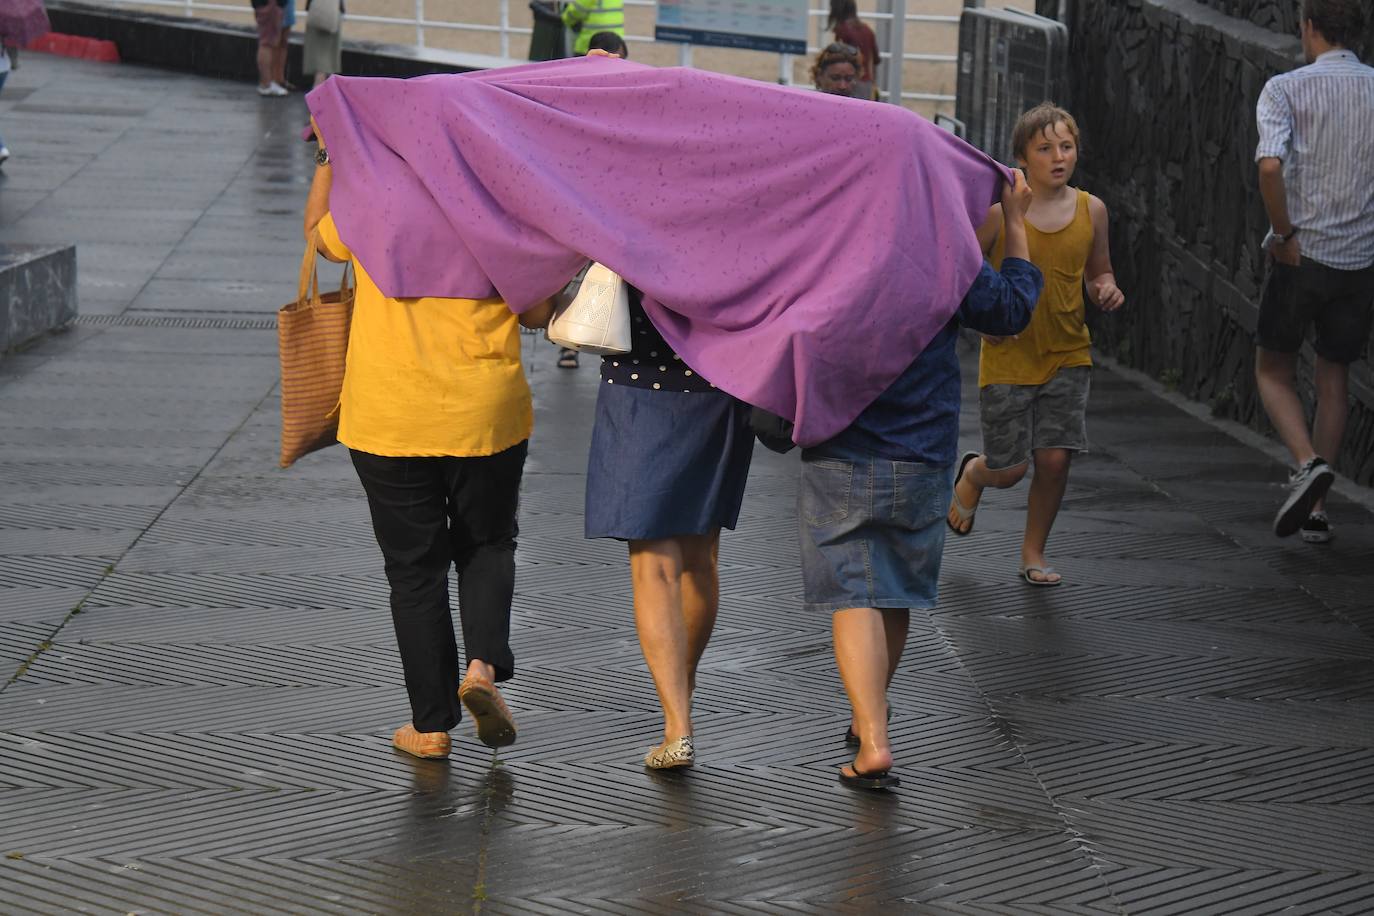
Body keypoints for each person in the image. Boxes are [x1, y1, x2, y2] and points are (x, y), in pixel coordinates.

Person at [303, 121, 553, 761]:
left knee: (414, 571)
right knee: (488, 542)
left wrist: (332, 157)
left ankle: (432, 726)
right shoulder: (497, 209)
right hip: (483, 407)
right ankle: (482, 671)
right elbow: (534, 312)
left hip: (389, 413)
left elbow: (317, 238)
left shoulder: (369, 206)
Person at [802, 170, 1041, 790]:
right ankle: (869, 719)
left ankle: (872, 738)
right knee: (897, 590)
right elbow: (1010, 310)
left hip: (844, 439)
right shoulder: (947, 253)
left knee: (854, 589)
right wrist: (1014, 224)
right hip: (924, 447)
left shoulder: (831, 245)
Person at [945, 103, 1123, 587]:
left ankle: (1033, 551)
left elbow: (1098, 270)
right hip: (1008, 355)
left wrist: (1105, 288)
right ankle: (976, 475)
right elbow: (966, 266)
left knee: (1055, 459)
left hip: (1069, 354)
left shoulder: (1093, 210)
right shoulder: (1002, 215)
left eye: (1066, 147)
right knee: (1010, 469)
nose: (1058, 157)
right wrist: (983, 320)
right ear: (1022, 157)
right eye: (1045, 148)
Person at [584, 285, 754, 771]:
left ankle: (677, 724)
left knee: (653, 567)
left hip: (639, 383)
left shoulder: (628, 206)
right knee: (700, 558)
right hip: (720, 385)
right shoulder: (735, 208)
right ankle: (684, 685)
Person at [1252, 0, 1374, 544]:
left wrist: (1283, 234)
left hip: (1303, 254)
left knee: (1272, 369)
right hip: (1361, 260)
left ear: (1308, 28)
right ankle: (1318, 510)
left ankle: (1307, 464)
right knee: (1333, 376)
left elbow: (1271, 164)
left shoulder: (1286, 89)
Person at [554, 33, 628, 370]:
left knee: (594, 271)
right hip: (585, 197)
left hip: (601, 199)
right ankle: (570, 339)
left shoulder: (631, 94)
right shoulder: (576, 88)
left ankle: (581, 335)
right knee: (576, 269)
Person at [827, 1, 880, 100]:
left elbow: (838, 59)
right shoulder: (867, 29)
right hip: (867, 83)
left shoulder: (843, 30)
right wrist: (873, 83)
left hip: (849, 83)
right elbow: (875, 60)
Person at [303, 0, 343, 89]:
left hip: (321, 12)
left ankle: (319, 89)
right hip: (327, 13)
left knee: (322, 56)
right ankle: (319, 90)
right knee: (324, 58)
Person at [252, 0, 288, 96]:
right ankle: (266, 84)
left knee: (267, 43)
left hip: (266, 4)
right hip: (270, 5)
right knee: (267, 43)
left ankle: (267, 83)